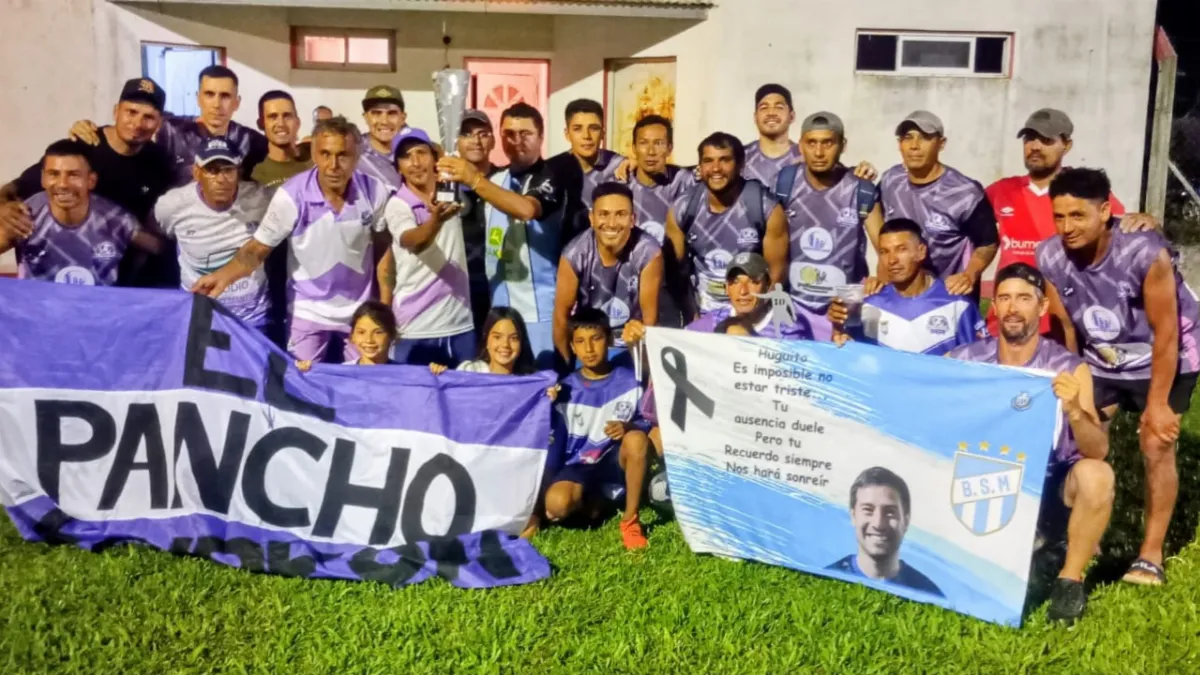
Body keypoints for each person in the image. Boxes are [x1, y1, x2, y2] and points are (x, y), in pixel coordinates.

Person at [1038, 167, 1199, 586]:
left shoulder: (1144, 254)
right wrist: (1075, 385)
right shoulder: (1050, 256)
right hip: (1105, 359)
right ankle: (1084, 533)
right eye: (1059, 217)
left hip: (1167, 355)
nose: (1066, 227)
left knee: (1155, 443)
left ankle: (1150, 553)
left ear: (1105, 211)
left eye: (1077, 216)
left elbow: (1166, 333)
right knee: (1082, 438)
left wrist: (1159, 404)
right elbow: (1068, 327)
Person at [948, 263, 1113, 623]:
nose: (1012, 307)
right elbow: (911, 387)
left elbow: (1098, 449)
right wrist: (844, 341)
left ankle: (1069, 582)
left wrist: (1073, 410)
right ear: (993, 308)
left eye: (1024, 298)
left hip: (1048, 486)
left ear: (1041, 308)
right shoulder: (965, 360)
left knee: (1097, 475)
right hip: (982, 480)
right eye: (1004, 298)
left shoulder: (1069, 367)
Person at [191, 116, 394, 364]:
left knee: (364, 384)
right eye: (325, 154)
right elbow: (257, 249)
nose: (333, 165)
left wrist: (384, 307)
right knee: (303, 385)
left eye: (343, 155)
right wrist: (221, 277)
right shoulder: (291, 195)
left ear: (357, 156)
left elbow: (384, 250)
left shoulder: (376, 191)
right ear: (315, 155)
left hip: (358, 313)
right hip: (306, 309)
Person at [984, 108, 1157, 335]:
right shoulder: (1001, 190)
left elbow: (1122, 228)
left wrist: (1148, 220)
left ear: (1067, 145)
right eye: (1029, 139)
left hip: (1067, 318)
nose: (1034, 146)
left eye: (1046, 140)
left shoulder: (1082, 190)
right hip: (1010, 317)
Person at [436, 102, 567, 369]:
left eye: (525, 134)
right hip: (499, 311)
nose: (517, 141)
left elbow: (526, 210)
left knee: (542, 385)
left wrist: (474, 180)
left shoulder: (551, 175)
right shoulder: (495, 181)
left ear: (541, 136)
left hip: (539, 310)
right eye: (509, 133)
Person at [1, 78, 171, 231]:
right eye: (131, 112)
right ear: (116, 112)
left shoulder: (158, 161)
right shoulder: (84, 144)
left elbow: (153, 226)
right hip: (70, 253)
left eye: (148, 117)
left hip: (122, 257)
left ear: (158, 123)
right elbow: (18, 187)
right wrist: (3, 207)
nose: (137, 123)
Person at [545, 308, 653, 550]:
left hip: (614, 462)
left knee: (636, 440)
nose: (589, 349)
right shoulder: (565, 389)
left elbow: (648, 420)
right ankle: (594, 503)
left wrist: (629, 426)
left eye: (596, 339)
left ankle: (630, 520)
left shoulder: (631, 380)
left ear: (609, 341)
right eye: (581, 342)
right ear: (573, 347)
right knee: (557, 504)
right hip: (579, 466)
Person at [777, 111, 884, 340]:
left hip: (842, 313)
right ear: (800, 146)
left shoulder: (861, 190)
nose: (818, 152)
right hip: (792, 308)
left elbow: (884, 249)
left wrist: (877, 279)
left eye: (828, 143)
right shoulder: (784, 183)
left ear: (842, 145)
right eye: (811, 143)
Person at [69, 65, 268, 188]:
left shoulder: (251, 141)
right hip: (168, 230)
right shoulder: (169, 129)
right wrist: (89, 130)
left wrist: (301, 147)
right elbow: (130, 129)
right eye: (209, 94)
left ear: (237, 102)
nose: (216, 104)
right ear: (198, 98)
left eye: (225, 96)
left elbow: (284, 153)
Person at [0, 140, 160, 285]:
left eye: (73, 175)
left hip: (97, 313)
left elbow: (159, 247)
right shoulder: (24, 215)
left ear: (91, 181)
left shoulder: (115, 218)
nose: (63, 184)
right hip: (40, 312)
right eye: (53, 174)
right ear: (43, 179)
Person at [663, 132, 789, 317]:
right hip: (704, 312)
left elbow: (776, 273)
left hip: (751, 314)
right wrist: (693, 317)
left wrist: (752, 319)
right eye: (708, 161)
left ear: (740, 164)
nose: (716, 168)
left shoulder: (765, 207)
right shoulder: (683, 208)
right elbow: (676, 274)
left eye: (724, 160)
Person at [153, 139, 272, 330]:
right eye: (212, 170)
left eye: (228, 170)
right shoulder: (172, 205)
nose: (221, 179)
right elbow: (158, 234)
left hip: (253, 319)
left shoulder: (262, 198)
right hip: (199, 317)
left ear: (238, 172)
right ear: (196, 172)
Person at [878, 111, 998, 298]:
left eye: (924, 138)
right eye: (907, 138)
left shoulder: (965, 192)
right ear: (899, 145)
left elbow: (988, 243)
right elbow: (872, 212)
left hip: (948, 297)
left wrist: (969, 274)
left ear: (941, 144)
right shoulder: (890, 181)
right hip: (901, 297)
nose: (914, 146)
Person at [380, 129, 475, 366]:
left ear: (434, 158)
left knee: (462, 399)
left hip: (460, 323)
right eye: (406, 156)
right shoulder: (398, 205)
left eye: (421, 153)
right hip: (416, 327)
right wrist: (436, 220)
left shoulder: (453, 192)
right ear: (398, 167)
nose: (415, 162)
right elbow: (415, 242)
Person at [830, 219, 985, 355]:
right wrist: (838, 329)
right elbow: (849, 355)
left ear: (921, 252)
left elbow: (979, 361)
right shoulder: (870, 305)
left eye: (901, 249)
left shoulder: (958, 304)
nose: (892, 260)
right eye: (884, 252)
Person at [554, 182, 663, 362]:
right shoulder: (574, 254)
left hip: (631, 346)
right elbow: (561, 316)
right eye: (603, 214)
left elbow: (650, 320)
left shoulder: (648, 252)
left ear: (632, 219)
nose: (611, 224)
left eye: (620, 214)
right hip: (589, 349)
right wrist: (567, 368)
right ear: (592, 218)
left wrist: (646, 366)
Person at [826, 467, 943, 597]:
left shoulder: (929, 594)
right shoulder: (827, 581)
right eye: (868, 510)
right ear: (853, 516)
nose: (878, 524)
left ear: (906, 520)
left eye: (889, 512)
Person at [675, 252, 811, 338]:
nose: (743, 291)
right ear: (727, 288)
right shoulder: (711, 322)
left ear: (768, 286)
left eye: (753, 282)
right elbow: (677, 344)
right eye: (735, 282)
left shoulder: (788, 329)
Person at [546, 99, 621, 242]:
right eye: (577, 129)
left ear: (603, 133)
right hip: (561, 256)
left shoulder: (619, 166)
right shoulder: (551, 170)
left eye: (594, 128)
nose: (586, 136)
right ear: (567, 134)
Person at [456, 109, 499, 335]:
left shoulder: (505, 179)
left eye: (483, 134)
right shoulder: (444, 183)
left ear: (493, 140)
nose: (476, 141)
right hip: (457, 288)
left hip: (500, 286)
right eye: (467, 135)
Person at [431, 306, 536, 375]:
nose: (505, 344)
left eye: (513, 338)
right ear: (486, 340)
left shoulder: (529, 382)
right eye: (497, 337)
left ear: (521, 342)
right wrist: (437, 375)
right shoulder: (470, 370)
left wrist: (549, 394)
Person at [297, 300, 398, 370]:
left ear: (392, 335)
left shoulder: (405, 375)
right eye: (361, 332)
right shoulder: (342, 373)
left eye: (378, 332)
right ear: (352, 336)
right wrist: (306, 372)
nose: (369, 340)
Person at [252, 91, 313, 190]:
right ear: (261, 124)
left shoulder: (315, 165)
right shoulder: (252, 172)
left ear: (297, 122)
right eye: (273, 117)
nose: (281, 124)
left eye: (287, 116)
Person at [742, 84, 801, 187]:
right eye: (764, 108)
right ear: (755, 117)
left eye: (779, 107)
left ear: (792, 116)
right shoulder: (739, 158)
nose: (771, 113)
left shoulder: (805, 158)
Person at [356, 85, 407, 188]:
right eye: (376, 113)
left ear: (403, 118)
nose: (384, 121)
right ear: (366, 117)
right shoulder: (353, 152)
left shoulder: (415, 151)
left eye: (392, 113)